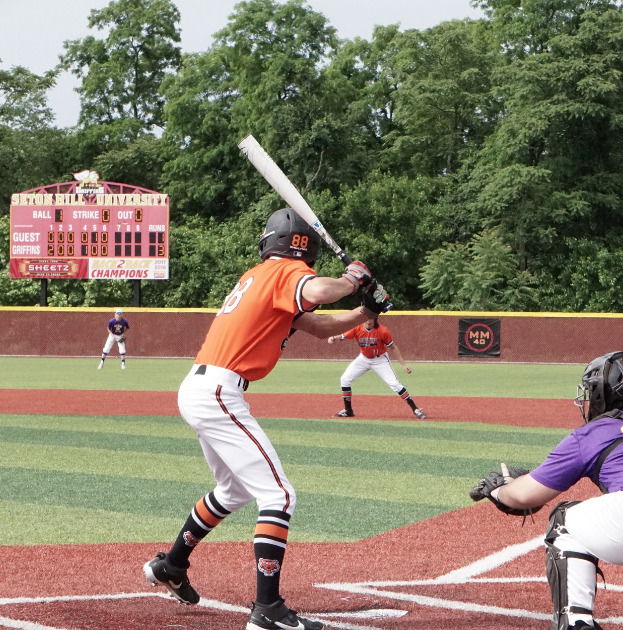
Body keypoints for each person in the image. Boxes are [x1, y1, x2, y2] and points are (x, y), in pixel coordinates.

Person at [142, 208, 391, 630]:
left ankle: (170, 564)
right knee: (279, 497)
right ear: (303, 247)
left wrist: (367, 310)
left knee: (232, 490)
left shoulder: (259, 276)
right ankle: (268, 610)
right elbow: (323, 290)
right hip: (220, 392)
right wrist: (353, 278)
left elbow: (320, 324)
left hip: (203, 388)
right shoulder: (284, 273)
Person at [474, 351, 623, 630]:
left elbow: (523, 496)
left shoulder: (596, 432)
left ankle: (576, 623)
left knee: (564, 519)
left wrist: (497, 491)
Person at [327, 316, 427, 419]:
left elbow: (393, 347)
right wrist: (334, 338)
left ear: (375, 320)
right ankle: (348, 411)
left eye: (371, 319)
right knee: (345, 379)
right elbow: (343, 336)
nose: (368, 321)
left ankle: (415, 409)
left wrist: (403, 365)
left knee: (394, 384)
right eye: (366, 319)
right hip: (364, 359)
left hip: (380, 360)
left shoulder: (383, 331)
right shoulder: (357, 328)